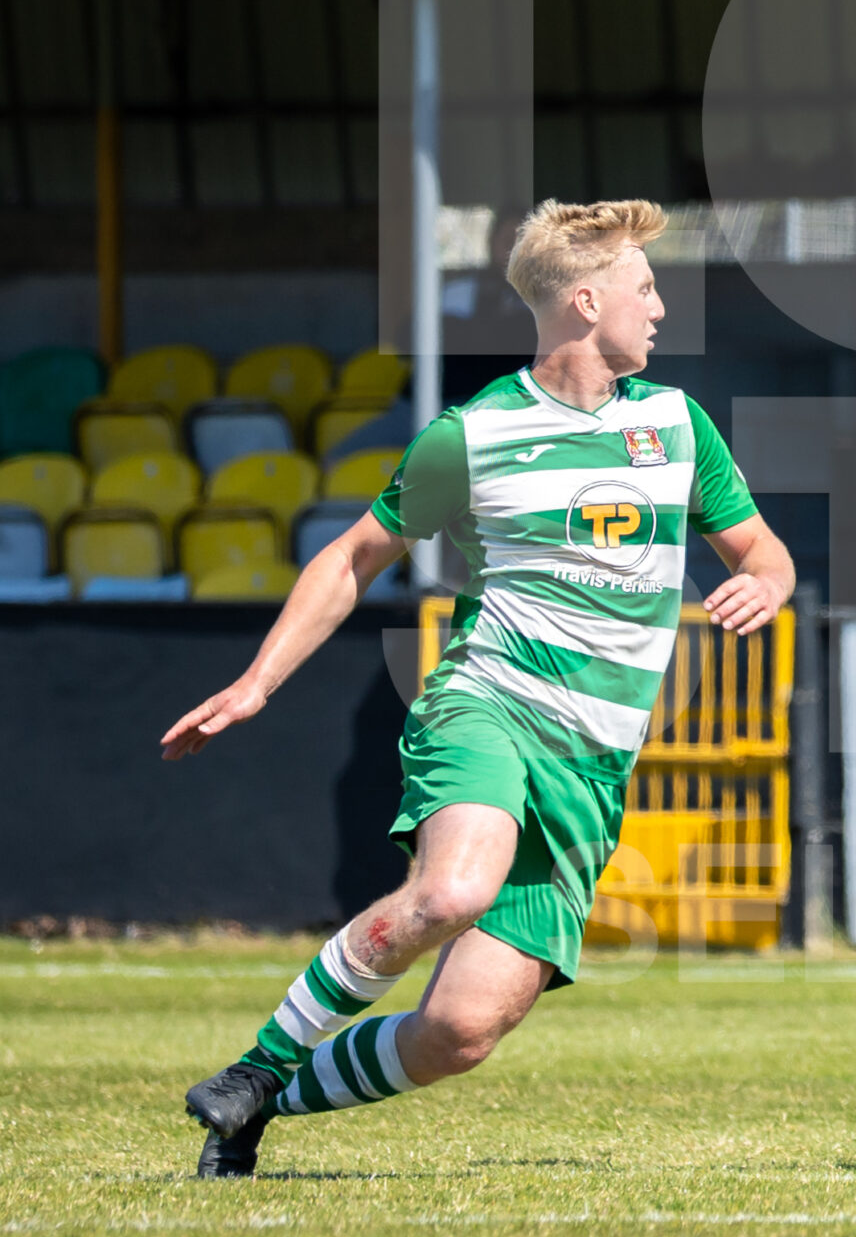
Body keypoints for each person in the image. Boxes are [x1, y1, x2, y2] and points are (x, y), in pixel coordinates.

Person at [164, 199, 795, 1177]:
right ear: (586, 302)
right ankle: (260, 1061)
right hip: (486, 706)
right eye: (644, 287)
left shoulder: (677, 424)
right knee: (453, 890)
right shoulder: (473, 434)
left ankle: (259, 1105)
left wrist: (766, 581)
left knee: (459, 1031)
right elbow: (353, 557)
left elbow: (763, 550)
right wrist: (257, 682)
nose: (660, 307)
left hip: (591, 768)